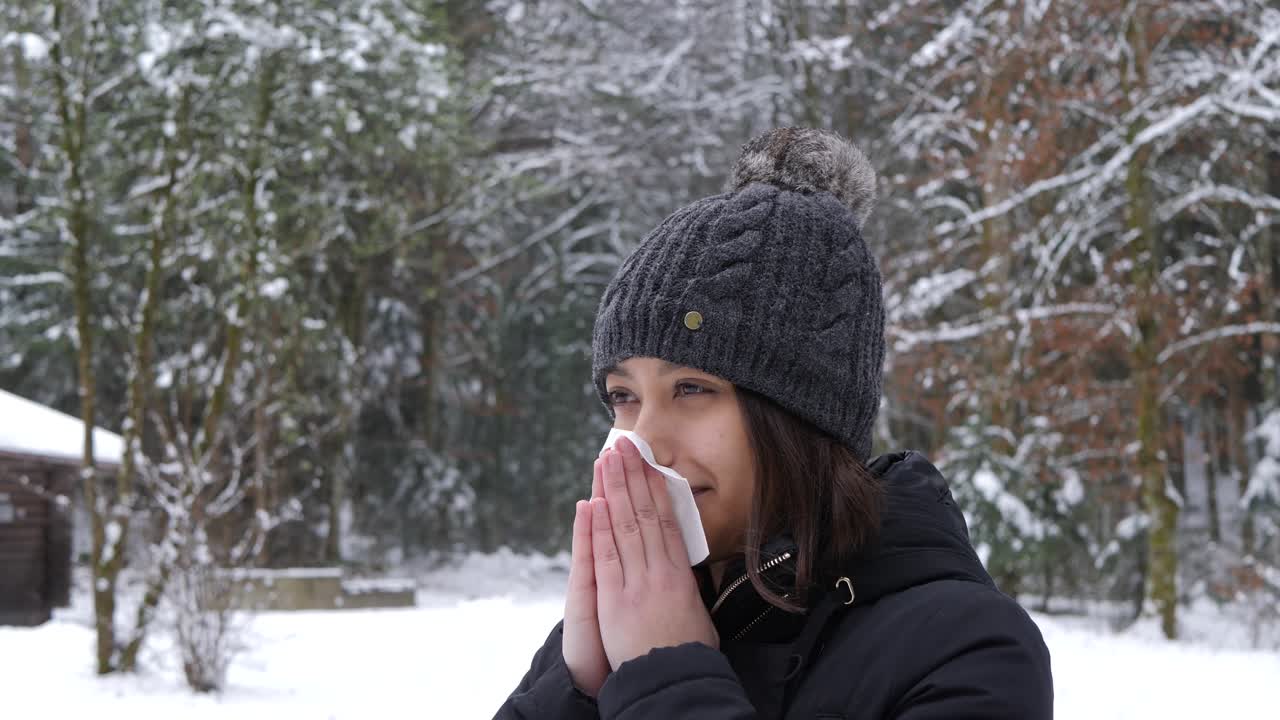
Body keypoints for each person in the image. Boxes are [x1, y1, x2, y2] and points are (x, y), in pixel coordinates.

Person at [494, 127, 1053, 719]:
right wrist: (577, 691)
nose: (643, 443)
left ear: (802, 413)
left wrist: (664, 677)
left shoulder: (967, 650)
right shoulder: (618, 627)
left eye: (691, 388)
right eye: (623, 397)